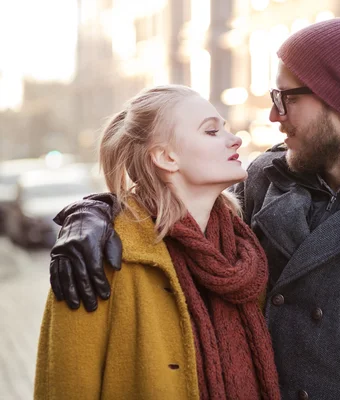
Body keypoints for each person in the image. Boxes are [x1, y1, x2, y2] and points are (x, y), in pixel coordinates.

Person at [47, 18, 340, 399]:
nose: (274, 117)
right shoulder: (263, 178)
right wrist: (94, 213)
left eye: (285, 99)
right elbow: (173, 213)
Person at [34, 85, 280, 399]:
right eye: (211, 131)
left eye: (227, 129)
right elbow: (66, 387)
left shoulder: (244, 253)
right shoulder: (99, 255)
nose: (235, 139)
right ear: (166, 157)